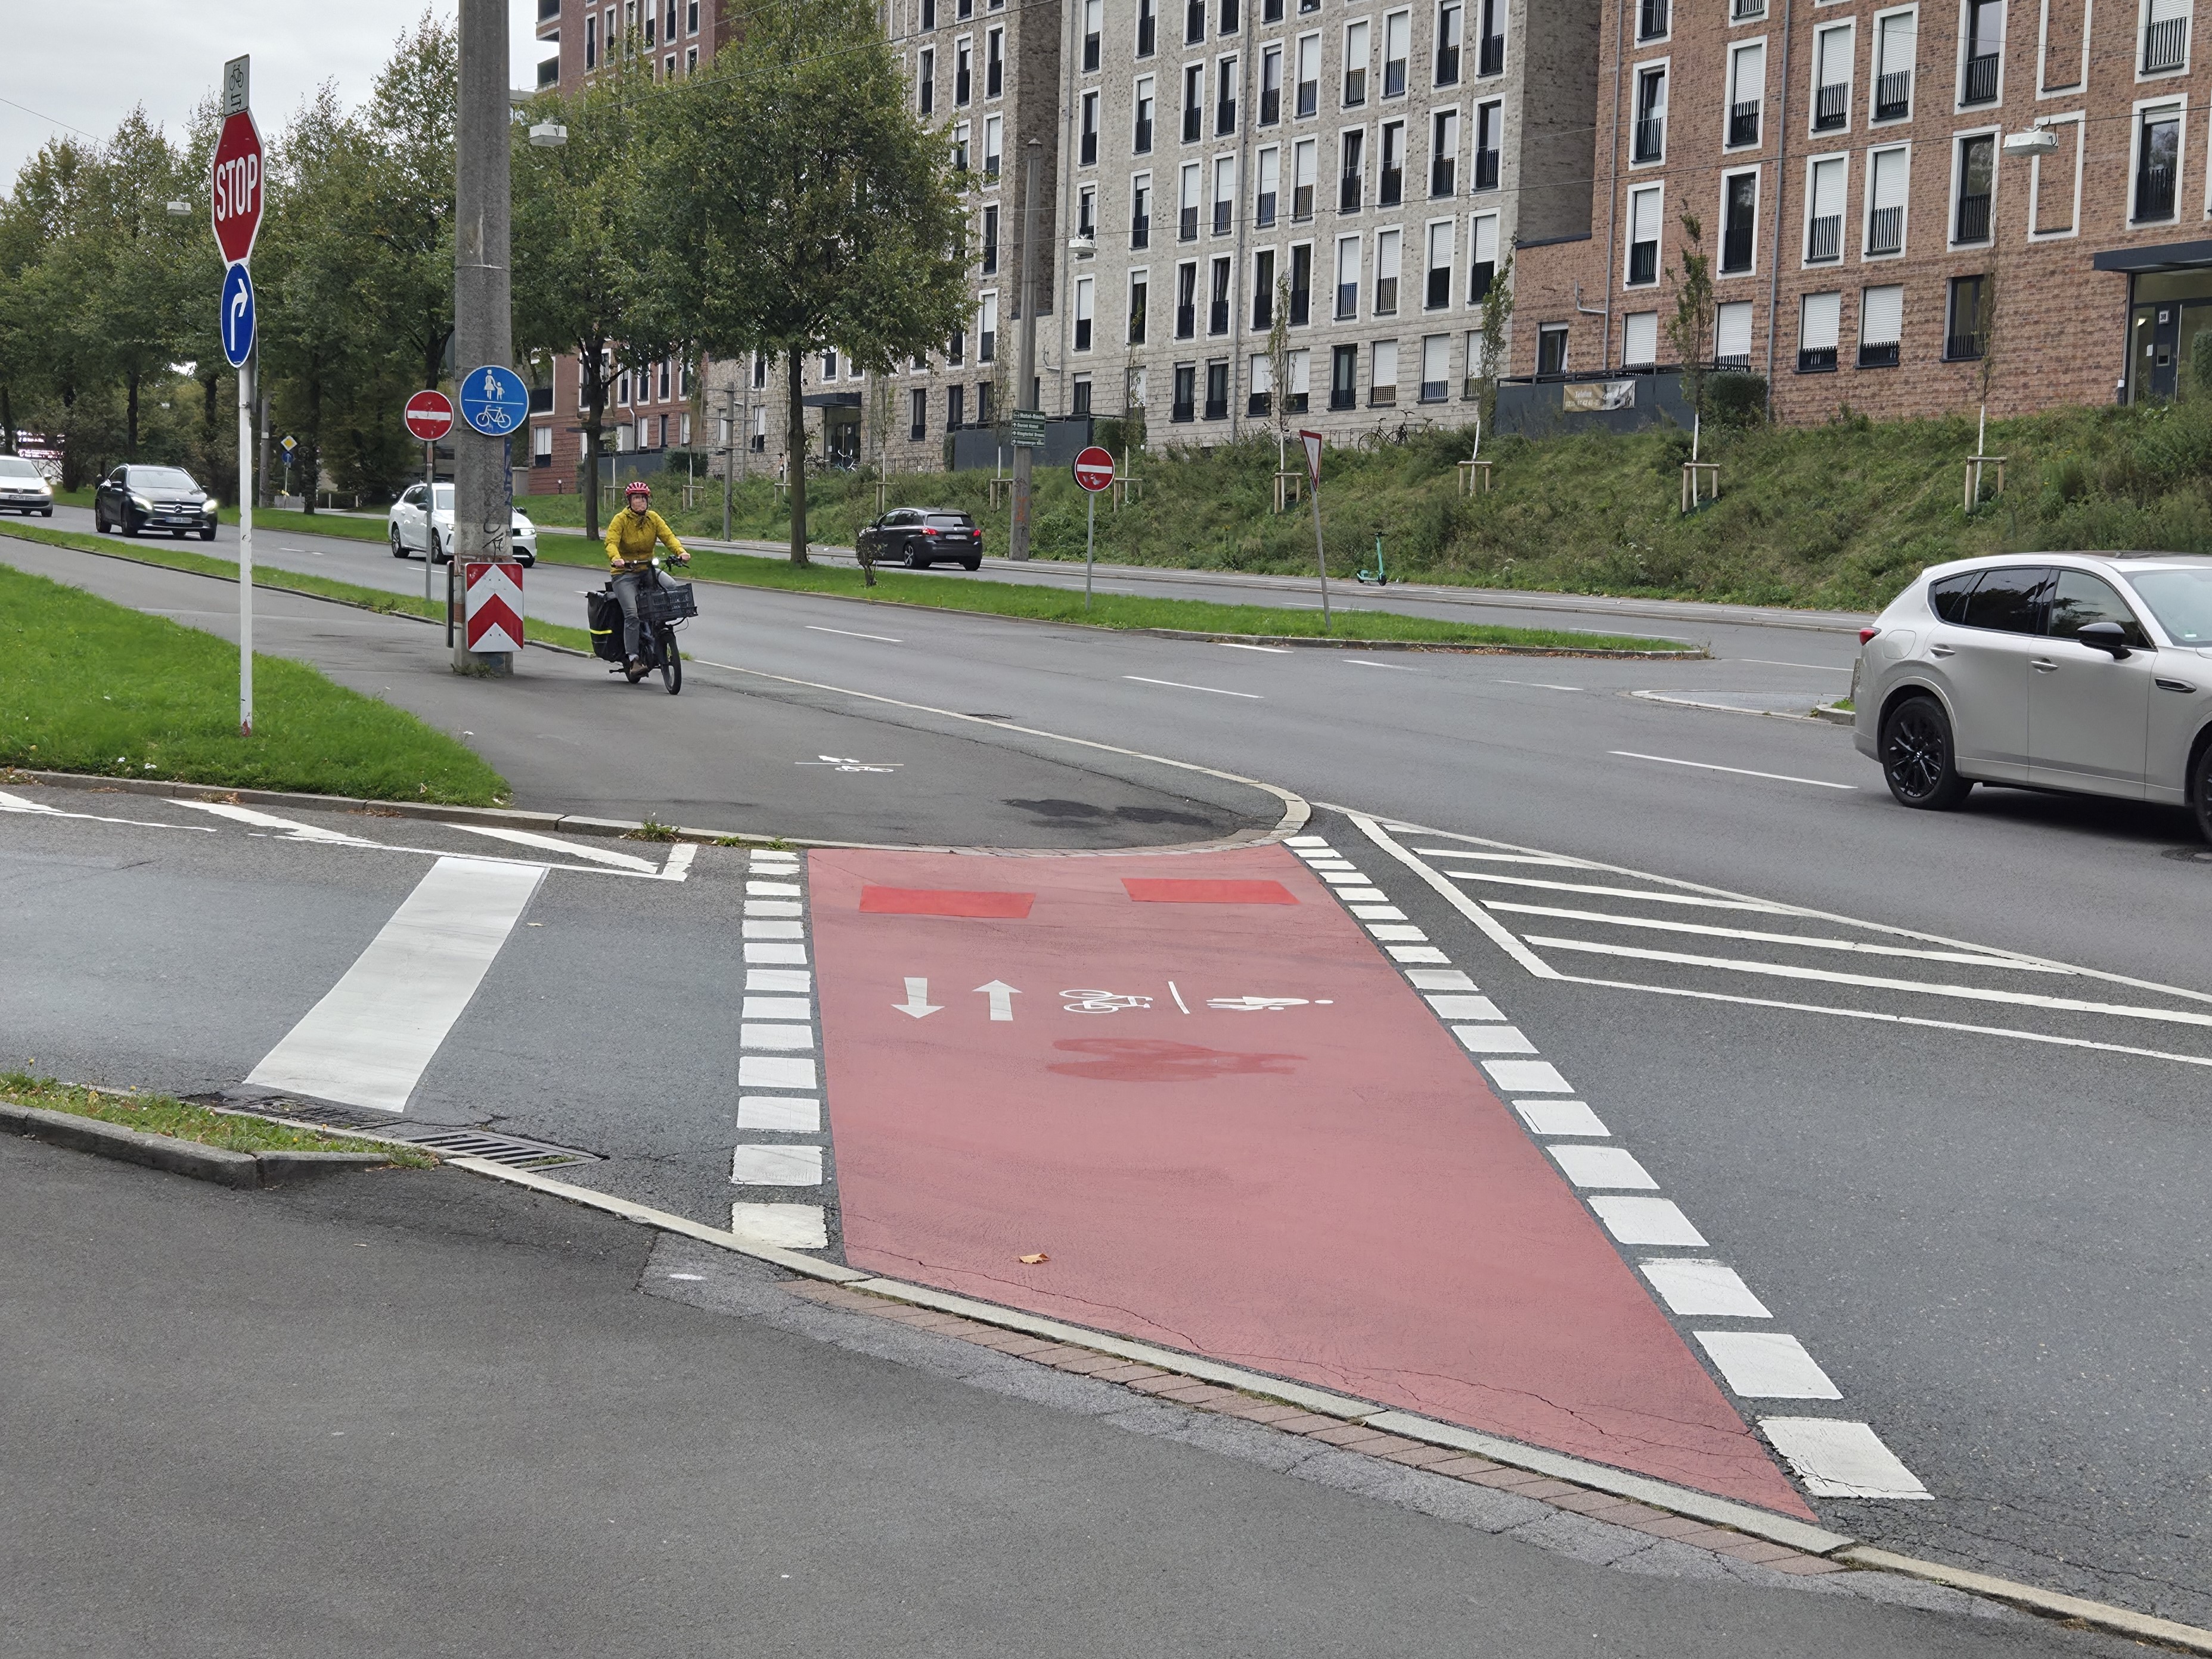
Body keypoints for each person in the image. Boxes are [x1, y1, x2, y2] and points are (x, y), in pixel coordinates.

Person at [603, 480, 691, 672]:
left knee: (672, 586)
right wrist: (616, 558)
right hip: (624, 574)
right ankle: (633, 659)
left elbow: (669, 537)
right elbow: (611, 542)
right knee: (632, 615)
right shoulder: (620, 520)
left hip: (647, 569)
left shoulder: (653, 518)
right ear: (629, 501)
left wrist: (681, 552)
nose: (640, 502)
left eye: (643, 498)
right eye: (636, 498)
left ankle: (659, 628)